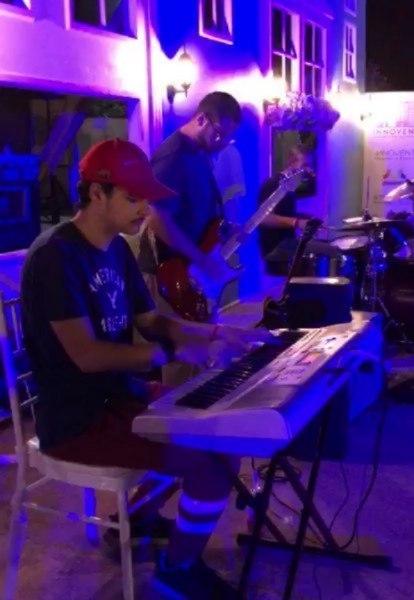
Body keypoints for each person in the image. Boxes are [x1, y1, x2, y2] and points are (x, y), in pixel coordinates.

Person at [20, 138, 273, 598]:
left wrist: (215, 334)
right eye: (133, 197)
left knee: (218, 429)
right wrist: (173, 354)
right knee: (212, 464)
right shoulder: (55, 256)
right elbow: (87, 356)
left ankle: (136, 520)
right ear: (97, 193)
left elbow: (152, 320)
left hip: (120, 397)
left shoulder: (117, 249)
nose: (145, 209)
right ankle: (176, 571)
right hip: (77, 420)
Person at [137, 91, 242, 385]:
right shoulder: (173, 157)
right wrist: (200, 259)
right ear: (201, 119)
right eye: (219, 133)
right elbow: (157, 218)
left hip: (193, 272)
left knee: (202, 353)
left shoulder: (199, 153)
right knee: (183, 362)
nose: (221, 141)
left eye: (227, 137)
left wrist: (222, 231)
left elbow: (195, 212)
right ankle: (179, 414)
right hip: (171, 272)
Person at [258, 144, 314, 273]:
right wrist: (296, 222)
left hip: (287, 245)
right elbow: (263, 218)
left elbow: (283, 212)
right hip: (275, 250)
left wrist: (306, 219)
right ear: (292, 161)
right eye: (304, 165)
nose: (307, 170)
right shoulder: (273, 184)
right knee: (324, 252)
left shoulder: (290, 187)